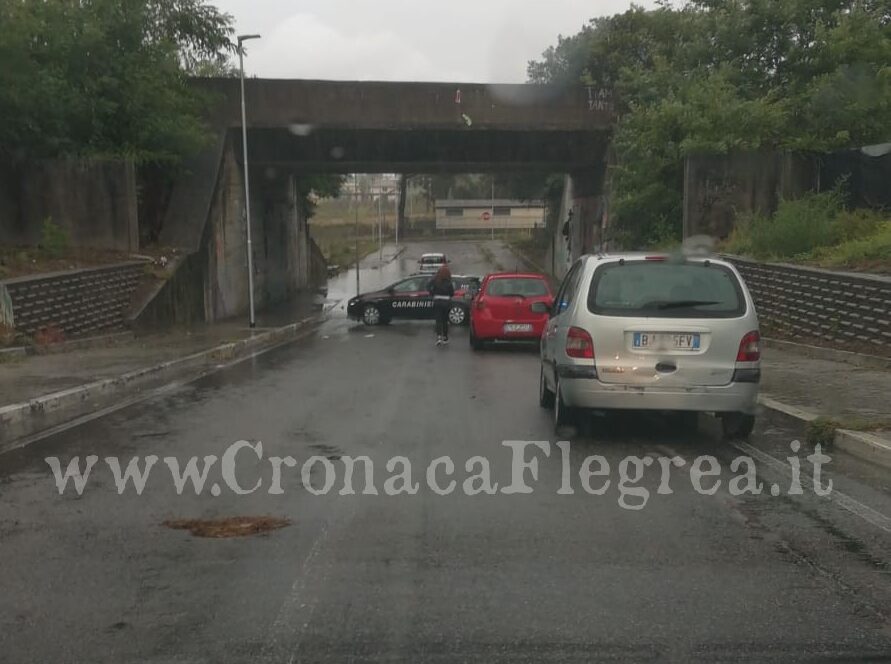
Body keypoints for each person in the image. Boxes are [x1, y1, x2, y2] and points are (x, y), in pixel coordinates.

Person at [427, 265, 455, 346]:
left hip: (437, 301)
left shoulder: (435, 280)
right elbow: (452, 293)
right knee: (445, 320)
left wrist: (432, 294)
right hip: (446, 302)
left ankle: (438, 337)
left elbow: (428, 287)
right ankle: (445, 337)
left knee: (438, 320)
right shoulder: (449, 282)